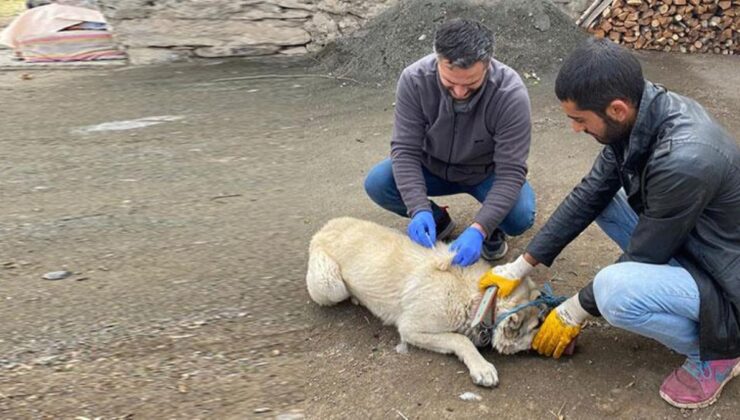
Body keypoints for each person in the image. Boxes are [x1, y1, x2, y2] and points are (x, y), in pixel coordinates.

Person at [479, 37, 740, 409]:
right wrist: (520, 266)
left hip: (727, 281)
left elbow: (647, 253)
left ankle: (718, 352)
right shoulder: (642, 116)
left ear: (616, 109)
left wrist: (576, 309)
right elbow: (590, 194)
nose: (573, 129)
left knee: (613, 291)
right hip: (698, 243)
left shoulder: (685, 158)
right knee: (603, 202)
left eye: (580, 120)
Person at [364, 19, 535, 267]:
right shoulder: (414, 80)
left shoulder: (509, 94)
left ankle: (491, 229)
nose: (459, 92)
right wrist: (418, 208)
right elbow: (405, 150)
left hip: (484, 173)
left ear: (487, 65)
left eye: (470, 84)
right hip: (430, 166)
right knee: (379, 182)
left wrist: (481, 227)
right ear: (438, 60)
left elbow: (511, 172)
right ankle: (436, 220)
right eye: (450, 82)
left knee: (520, 215)